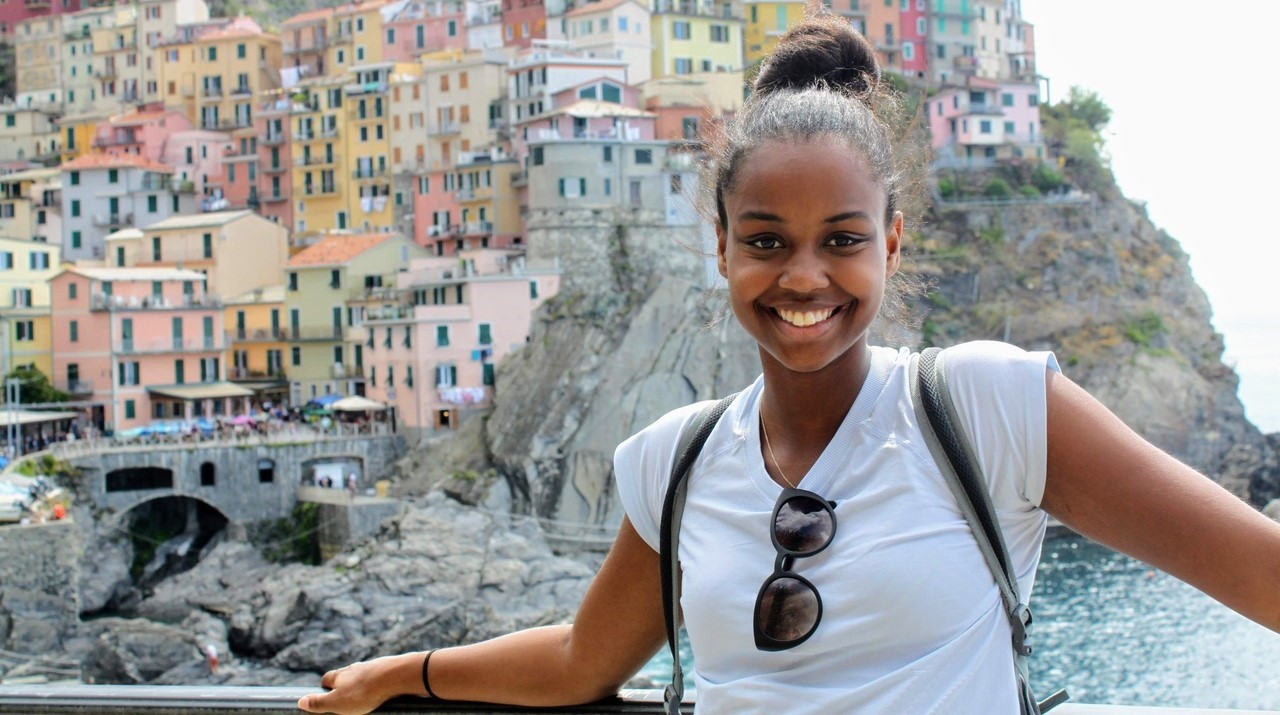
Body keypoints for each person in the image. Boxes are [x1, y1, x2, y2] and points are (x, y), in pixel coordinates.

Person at [298, 13, 1280, 715]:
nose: (802, 275)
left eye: (840, 239)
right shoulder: (671, 461)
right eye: (765, 241)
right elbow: (577, 662)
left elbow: (1261, 575)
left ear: (891, 243)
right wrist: (400, 674)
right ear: (719, 245)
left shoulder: (986, 405)